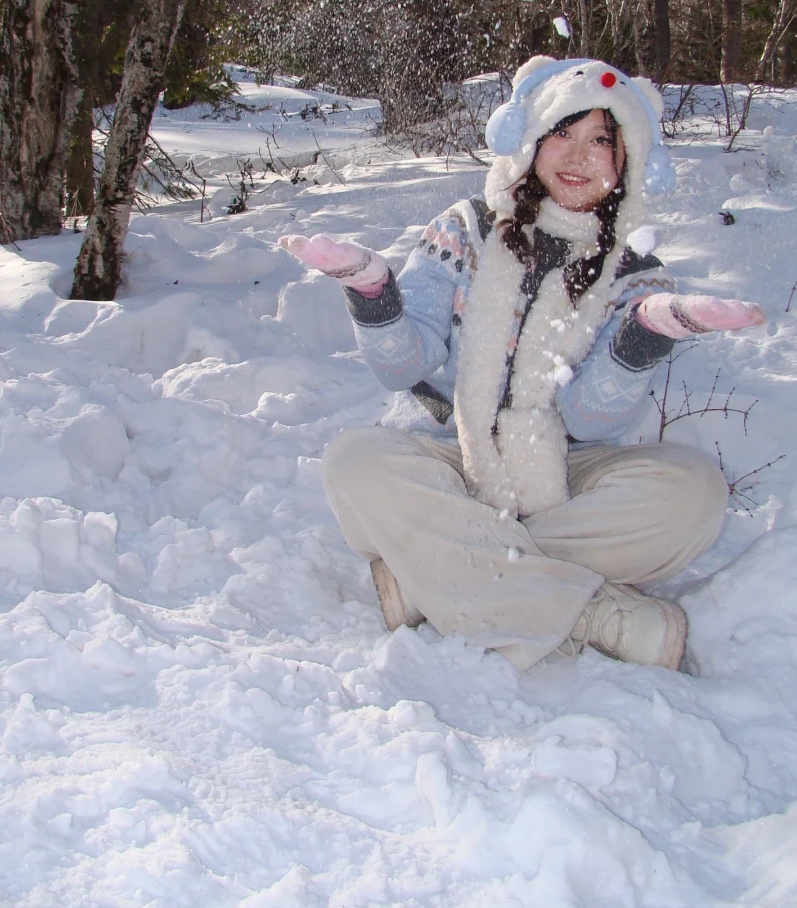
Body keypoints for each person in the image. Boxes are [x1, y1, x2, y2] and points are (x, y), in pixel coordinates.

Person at [280, 57, 765, 671]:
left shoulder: (636, 276)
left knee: (694, 493)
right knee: (355, 462)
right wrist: (372, 290)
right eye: (563, 131)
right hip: (449, 451)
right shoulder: (465, 230)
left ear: (626, 163)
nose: (578, 156)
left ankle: (434, 572)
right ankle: (591, 612)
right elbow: (403, 365)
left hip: (564, 470)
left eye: (601, 141)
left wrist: (646, 334)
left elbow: (590, 419)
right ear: (532, 140)